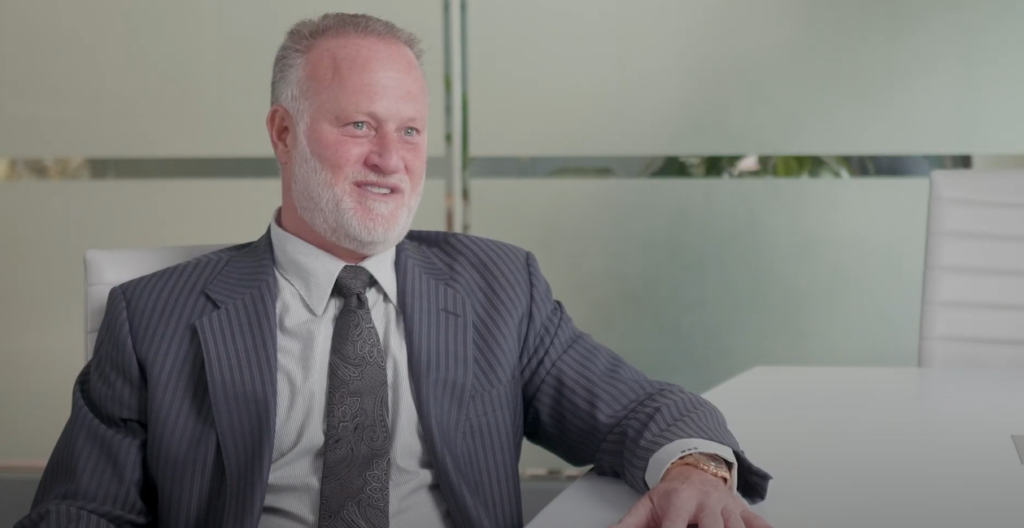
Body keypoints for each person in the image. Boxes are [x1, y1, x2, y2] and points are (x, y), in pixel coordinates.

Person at [17, 13, 772, 528]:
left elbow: (641, 410)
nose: (391, 159)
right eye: (359, 125)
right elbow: (80, 510)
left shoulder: (498, 288)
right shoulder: (153, 315)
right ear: (283, 133)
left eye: (410, 130)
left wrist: (696, 471)